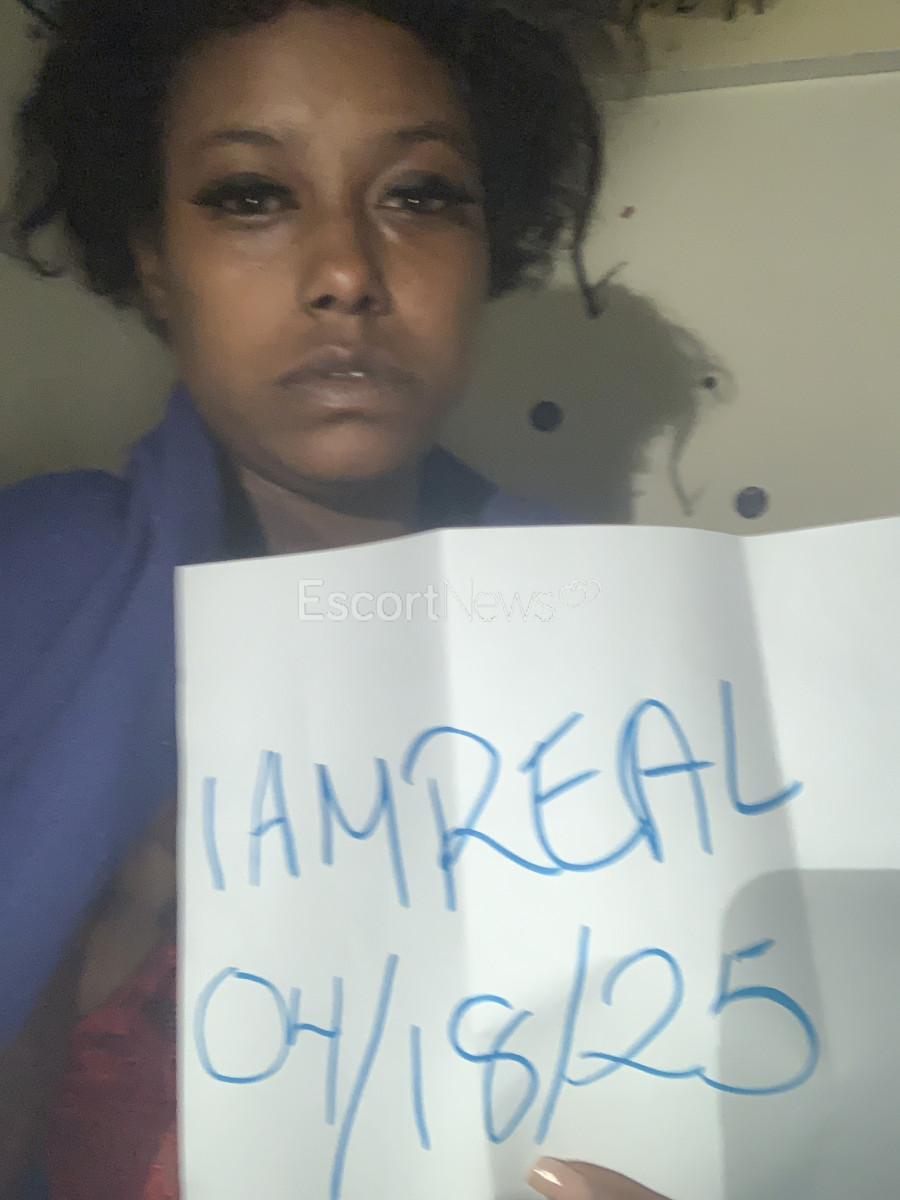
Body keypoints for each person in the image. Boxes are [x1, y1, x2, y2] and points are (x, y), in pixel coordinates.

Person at [0, 1, 671, 1197]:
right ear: (153, 257)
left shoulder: (647, 649)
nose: (349, 272)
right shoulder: (29, 591)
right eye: (251, 195)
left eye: (419, 194)